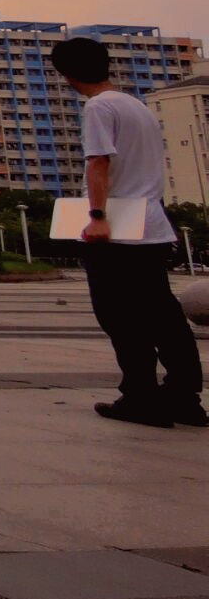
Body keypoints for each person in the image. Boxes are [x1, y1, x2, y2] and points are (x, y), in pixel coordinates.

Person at [51, 37, 205, 428]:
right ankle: (185, 399)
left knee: (120, 316)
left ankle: (140, 397)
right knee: (164, 316)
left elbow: (98, 163)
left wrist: (97, 215)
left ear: (66, 74)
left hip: (117, 228)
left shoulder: (98, 107)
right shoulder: (136, 106)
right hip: (152, 224)